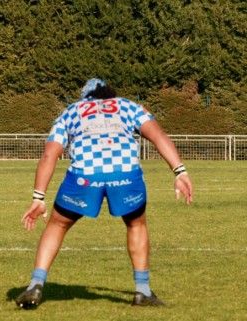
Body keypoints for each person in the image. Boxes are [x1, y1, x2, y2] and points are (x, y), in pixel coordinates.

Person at [15, 79, 193, 309]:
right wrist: (180, 172)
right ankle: (143, 291)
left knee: (57, 225)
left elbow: (50, 154)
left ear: (84, 97)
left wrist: (38, 198)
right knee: (136, 224)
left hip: (85, 174)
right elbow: (158, 136)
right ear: (110, 93)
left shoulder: (71, 111)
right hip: (125, 172)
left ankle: (36, 285)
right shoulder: (129, 106)